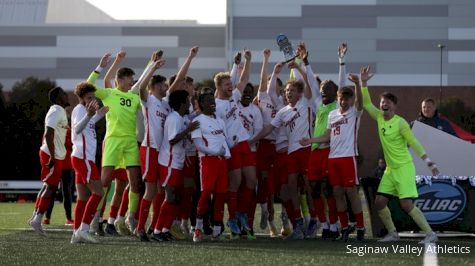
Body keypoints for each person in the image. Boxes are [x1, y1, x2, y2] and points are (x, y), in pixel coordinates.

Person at [358, 66, 440, 243]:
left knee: (406, 204)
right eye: (382, 102)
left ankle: (430, 234)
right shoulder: (379, 117)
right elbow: (365, 104)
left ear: (394, 106)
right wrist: (363, 83)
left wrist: (428, 161)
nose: (384, 105)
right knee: (379, 202)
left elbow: (414, 142)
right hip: (390, 170)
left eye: (388, 103)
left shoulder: (401, 123)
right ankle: (393, 233)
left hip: (404, 168)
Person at [250, 53, 315, 240]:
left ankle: (315, 220)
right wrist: (251, 141)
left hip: (301, 151)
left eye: (291, 90)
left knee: (308, 187)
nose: (288, 93)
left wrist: (299, 66)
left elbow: (309, 84)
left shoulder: (306, 103)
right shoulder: (282, 111)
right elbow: (268, 128)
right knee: (287, 189)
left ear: (299, 93)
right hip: (288, 153)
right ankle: (297, 222)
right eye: (286, 91)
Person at [300, 72, 366, 242]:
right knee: (337, 193)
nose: (344, 102)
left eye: (347, 99)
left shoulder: (354, 113)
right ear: (338, 99)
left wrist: (358, 84)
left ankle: (360, 227)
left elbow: (360, 102)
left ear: (351, 100)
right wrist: (310, 140)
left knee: (351, 193)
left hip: (348, 157)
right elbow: (327, 136)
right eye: (342, 99)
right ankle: (344, 227)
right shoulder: (332, 114)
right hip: (333, 158)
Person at [86, 53, 142, 236]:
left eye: (133, 79)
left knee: (135, 183)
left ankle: (129, 217)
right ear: (121, 80)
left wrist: (152, 65)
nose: (132, 82)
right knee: (104, 182)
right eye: (129, 79)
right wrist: (101, 67)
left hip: (131, 143)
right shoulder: (109, 93)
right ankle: (95, 219)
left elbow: (145, 91)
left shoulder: (134, 97)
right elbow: (90, 85)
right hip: (113, 141)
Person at [305, 43, 347, 240]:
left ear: (335, 93)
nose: (323, 91)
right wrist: (305, 63)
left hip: (330, 150)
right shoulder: (317, 104)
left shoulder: (337, 105)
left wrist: (341, 61)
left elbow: (342, 82)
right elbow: (312, 83)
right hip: (314, 151)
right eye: (322, 89)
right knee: (313, 189)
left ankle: (333, 225)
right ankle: (323, 224)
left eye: (328, 89)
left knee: (329, 190)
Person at [214, 49, 255, 239]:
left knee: (251, 181)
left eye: (231, 83)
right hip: (231, 147)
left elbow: (244, 79)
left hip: (244, 142)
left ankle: (242, 215)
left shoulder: (233, 97)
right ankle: (232, 218)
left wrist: (247, 60)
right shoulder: (216, 105)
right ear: (219, 87)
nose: (231, 86)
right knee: (236, 182)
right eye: (227, 84)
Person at [69, 81, 108, 243]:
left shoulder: (86, 111)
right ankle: (84, 229)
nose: (93, 100)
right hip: (83, 158)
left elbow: (88, 124)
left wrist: (100, 114)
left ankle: (76, 233)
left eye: (94, 97)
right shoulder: (80, 110)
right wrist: (90, 114)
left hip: (81, 158)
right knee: (98, 193)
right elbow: (77, 129)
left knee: (83, 197)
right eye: (89, 97)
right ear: (82, 98)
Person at [28, 86, 70, 236]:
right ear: (59, 97)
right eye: (64, 94)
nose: (67, 95)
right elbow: (48, 133)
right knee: (51, 187)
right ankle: (38, 219)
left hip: (55, 154)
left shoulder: (60, 111)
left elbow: (56, 130)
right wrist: (52, 155)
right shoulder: (56, 110)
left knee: (48, 185)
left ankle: (34, 217)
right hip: (52, 154)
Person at [191, 88, 231, 242]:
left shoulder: (220, 121)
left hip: (222, 162)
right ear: (201, 104)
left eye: (213, 101)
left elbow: (224, 141)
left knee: (220, 196)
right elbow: (199, 145)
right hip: (207, 161)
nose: (212, 104)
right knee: (206, 193)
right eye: (208, 102)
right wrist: (215, 152)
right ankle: (198, 229)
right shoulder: (197, 121)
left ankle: (216, 231)